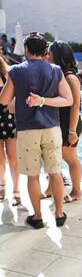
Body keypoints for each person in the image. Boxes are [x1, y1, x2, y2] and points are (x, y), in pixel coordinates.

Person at [0, 32, 73, 228]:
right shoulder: (55, 70)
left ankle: (38, 217)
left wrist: (20, 99)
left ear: (25, 50)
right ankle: (59, 213)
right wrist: (43, 100)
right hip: (52, 128)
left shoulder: (16, 71)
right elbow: (68, 99)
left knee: (33, 176)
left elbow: (4, 100)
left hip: (27, 129)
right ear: (45, 51)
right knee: (55, 172)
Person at [42, 41, 82, 202]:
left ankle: (77, 190)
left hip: (69, 123)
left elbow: (76, 106)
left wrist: (72, 131)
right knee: (53, 158)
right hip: (58, 122)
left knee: (70, 159)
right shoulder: (56, 74)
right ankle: (51, 189)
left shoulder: (70, 77)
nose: (47, 56)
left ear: (57, 55)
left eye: (49, 53)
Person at [0, 55, 21, 205]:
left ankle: (16, 190)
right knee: (0, 160)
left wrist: (13, 100)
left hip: (8, 119)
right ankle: (2, 184)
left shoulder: (7, 74)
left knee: (13, 158)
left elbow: (19, 91)